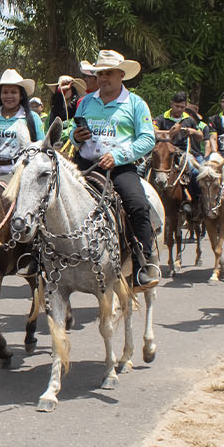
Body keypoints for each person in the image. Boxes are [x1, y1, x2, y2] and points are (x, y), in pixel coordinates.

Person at [71, 50, 159, 286]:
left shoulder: (136, 104)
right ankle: (43, 259)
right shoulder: (86, 102)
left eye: (109, 73)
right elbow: (74, 134)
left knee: (138, 205)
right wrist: (76, 137)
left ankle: (144, 263)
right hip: (84, 165)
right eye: (100, 73)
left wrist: (118, 156)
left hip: (119, 168)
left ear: (121, 75)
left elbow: (147, 139)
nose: (103, 78)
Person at [0, 70, 44, 181]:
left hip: (22, 175)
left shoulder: (32, 118)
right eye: (5, 92)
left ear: (21, 96)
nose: (9, 96)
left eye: (13, 92)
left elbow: (42, 147)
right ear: (0, 95)